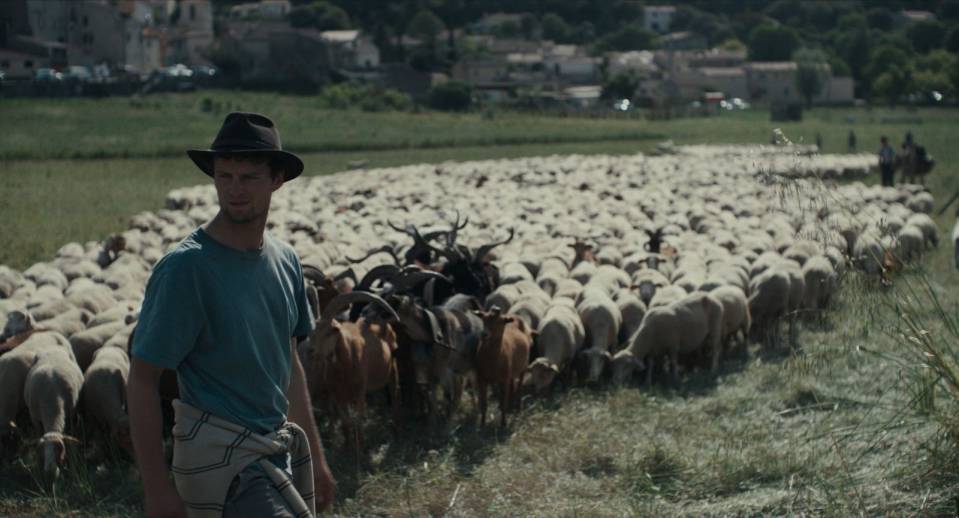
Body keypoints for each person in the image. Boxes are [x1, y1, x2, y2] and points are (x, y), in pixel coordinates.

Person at [128, 112, 335, 518]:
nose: (234, 189)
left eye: (249, 177)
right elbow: (142, 378)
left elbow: (289, 366)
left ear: (277, 180)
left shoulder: (285, 260)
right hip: (220, 460)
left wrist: (316, 457)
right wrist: (156, 489)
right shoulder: (186, 269)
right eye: (225, 176)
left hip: (274, 452)